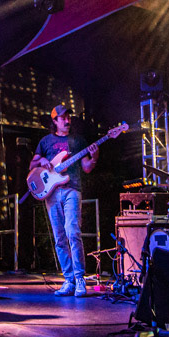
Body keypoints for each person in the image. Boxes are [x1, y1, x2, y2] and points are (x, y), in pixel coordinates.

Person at [30, 105, 97, 297]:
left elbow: (86, 167)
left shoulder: (78, 141)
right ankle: (69, 280)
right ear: (54, 120)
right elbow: (32, 164)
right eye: (63, 118)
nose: (67, 120)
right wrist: (41, 161)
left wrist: (94, 157)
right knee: (59, 237)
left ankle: (80, 278)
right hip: (52, 192)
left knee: (72, 231)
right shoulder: (45, 141)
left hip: (72, 189)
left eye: (68, 117)